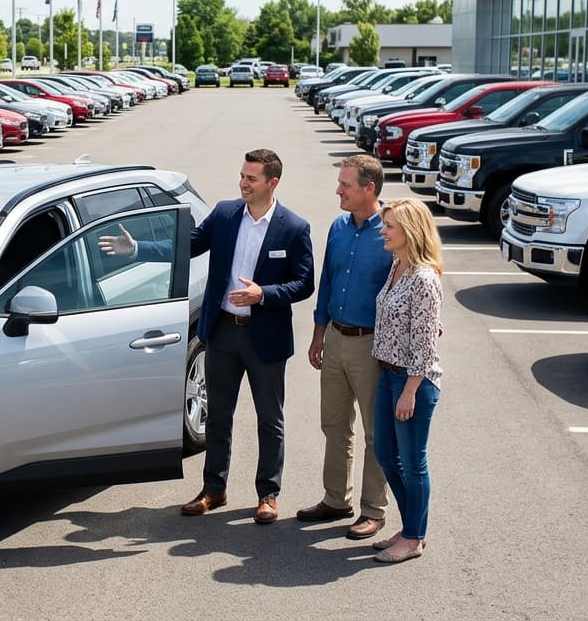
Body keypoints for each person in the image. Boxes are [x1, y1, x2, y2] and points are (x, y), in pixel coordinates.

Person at [99, 149, 315, 524]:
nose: (242, 183)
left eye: (251, 178)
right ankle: (213, 489)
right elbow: (188, 245)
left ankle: (268, 494)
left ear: (272, 183)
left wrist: (263, 294)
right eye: (242, 176)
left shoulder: (294, 227)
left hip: (265, 338)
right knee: (217, 417)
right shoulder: (226, 214)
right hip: (224, 332)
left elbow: (303, 283)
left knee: (270, 419)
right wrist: (136, 250)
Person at [297, 155, 394, 540]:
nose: (338, 190)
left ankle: (374, 509)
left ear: (369, 189)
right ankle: (336, 498)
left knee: (375, 433)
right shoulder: (338, 227)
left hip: (372, 345)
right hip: (335, 338)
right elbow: (328, 281)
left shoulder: (393, 229)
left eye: (346, 185)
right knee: (334, 424)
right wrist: (319, 334)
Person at [369, 198, 444, 564]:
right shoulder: (398, 265)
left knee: (413, 462)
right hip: (387, 373)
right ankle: (411, 524)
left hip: (411, 382)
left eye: (389, 226)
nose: (382, 230)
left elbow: (426, 344)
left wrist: (410, 391)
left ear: (410, 232)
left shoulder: (424, 278)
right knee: (385, 452)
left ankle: (414, 537)